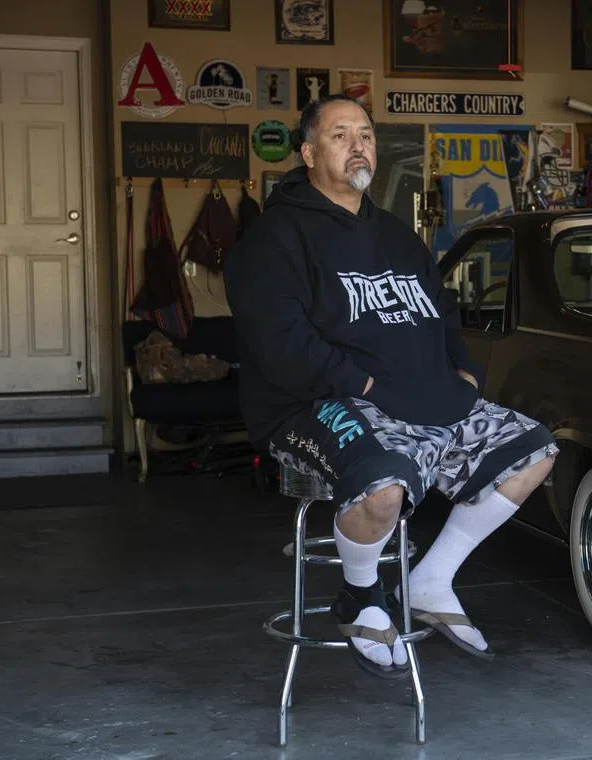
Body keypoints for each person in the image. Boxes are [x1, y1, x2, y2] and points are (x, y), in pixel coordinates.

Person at [225, 95, 558, 679]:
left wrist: (466, 372)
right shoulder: (274, 236)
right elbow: (278, 340)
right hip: (320, 402)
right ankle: (360, 594)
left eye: (367, 135)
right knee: (383, 488)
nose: (359, 145)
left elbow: (443, 310)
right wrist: (364, 381)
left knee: (532, 450)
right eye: (340, 135)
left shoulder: (398, 236)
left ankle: (431, 579)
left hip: (423, 395)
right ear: (307, 153)